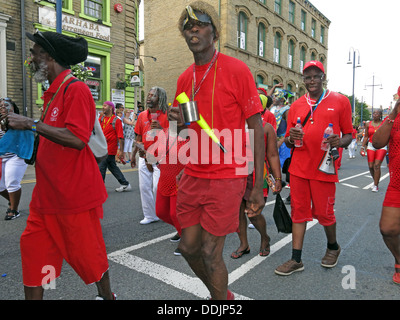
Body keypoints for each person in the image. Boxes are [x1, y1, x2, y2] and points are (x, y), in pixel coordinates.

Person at [4, 30, 115, 299]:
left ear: (49, 56)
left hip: (74, 197)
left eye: (34, 53)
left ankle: (107, 296)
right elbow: (51, 137)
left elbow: (77, 139)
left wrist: (30, 123)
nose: (30, 59)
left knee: (89, 258)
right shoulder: (51, 94)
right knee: (37, 257)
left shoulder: (75, 89)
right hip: (46, 196)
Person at [173, 1, 265, 300]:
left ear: (214, 31)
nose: (193, 30)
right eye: (187, 27)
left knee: (211, 251)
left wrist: (257, 186)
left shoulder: (237, 70)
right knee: (188, 248)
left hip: (227, 174)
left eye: (199, 24)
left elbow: (256, 129)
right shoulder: (186, 79)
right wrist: (176, 122)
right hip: (194, 173)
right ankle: (222, 296)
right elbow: (188, 132)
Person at [274, 60, 353, 276]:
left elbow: (349, 134)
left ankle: (333, 246)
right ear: (304, 80)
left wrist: (340, 141)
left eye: (315, 76)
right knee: (299, 213)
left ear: (323, 77)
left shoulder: (340, 101)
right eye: (307, 77)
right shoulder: (297, 105)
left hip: (324, 167)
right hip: (299, 168)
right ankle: (296, 259)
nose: (311, 81)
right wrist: (291, 137)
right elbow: (289, 140)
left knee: (324, 213)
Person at [231, 103, 282, 259]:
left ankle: (264, 238)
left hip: (258, 175)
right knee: (237, 212)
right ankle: (244, 244)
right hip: (236, 173)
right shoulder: (234, 125)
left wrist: (278, 178)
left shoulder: (266, 127)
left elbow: (272, 155)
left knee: (253, 213)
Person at [150, 105, 188, 255]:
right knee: (161, 212)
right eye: (171, 112)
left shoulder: (191, 134)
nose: (172, 115)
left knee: (175, 214)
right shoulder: (164, 132)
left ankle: (188, 240)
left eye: (177, 113)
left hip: (182, 182)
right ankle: (182, 230)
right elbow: (157, 154)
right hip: (165, 178)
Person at [131, 87, 169, 225]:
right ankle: (150, 215)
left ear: (160, 98)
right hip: (144, 155)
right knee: (144, 187)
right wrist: (135, 153)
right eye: (148, 94)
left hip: (162, 157)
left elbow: (177, 137)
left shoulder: (168, 114)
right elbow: (138, 136)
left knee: (157, 188)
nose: (149, 97)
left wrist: (161, 129)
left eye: (153, 95)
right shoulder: (142, 116)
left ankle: (164, 212)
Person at [373, 94, 400, 284]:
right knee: (387, 228)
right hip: (397, 183)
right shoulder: (393, 119)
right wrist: (393, 113)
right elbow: (377, 143)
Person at [0, 98, 28, 220]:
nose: (3, 108)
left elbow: (30, 133)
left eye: (6, 105)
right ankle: (12, 201)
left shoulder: (19, 120)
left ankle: (14, 210)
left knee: (11, 182)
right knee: (0, 186)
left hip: (16, 156)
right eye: (1, 106)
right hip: (2, 157)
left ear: (13, 107)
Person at [98, 101, 131, 191]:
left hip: (110, 148)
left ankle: (99, 188)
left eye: (105, 105)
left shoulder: (116, 120)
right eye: (103, 105)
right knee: (111, 166)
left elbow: (121, 137)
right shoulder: (101, 119)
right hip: (102, 147)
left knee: (101, 166)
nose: (103, 107)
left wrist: (121, 151)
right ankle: (125, 183)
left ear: (110, 108)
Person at [361, 109, 387, 192]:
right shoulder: (368, 124)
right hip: (371, 146)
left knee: (376, 165)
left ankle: (376, 185)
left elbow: (387, 135)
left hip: (381, 146)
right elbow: (366, 137)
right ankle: (375, 180)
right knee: (371, 166)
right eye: (374, 113)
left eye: (377, 113)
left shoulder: (384, 124)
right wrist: (362, 147)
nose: (375, 115)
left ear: (380, 115)